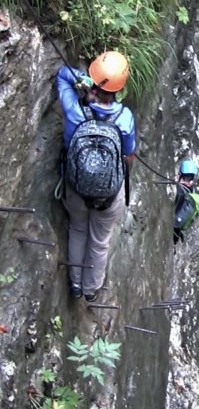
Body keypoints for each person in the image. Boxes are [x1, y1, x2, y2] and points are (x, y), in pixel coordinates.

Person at [56, 51, 136, 302]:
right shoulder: (124, 118)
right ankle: (91, 290)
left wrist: (84, 79)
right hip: (109, 196)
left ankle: (76, 284)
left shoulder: (74, 111)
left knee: (78, 230)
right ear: (119, 89)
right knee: (99, 242)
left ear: (95, 81)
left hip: (75, 187)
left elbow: (62, 75)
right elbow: (129, 155)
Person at [173, 159, 199, 244]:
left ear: (180, 174)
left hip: (173, 227)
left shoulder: (178, 190)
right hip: (177, 231)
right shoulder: (192, 192)